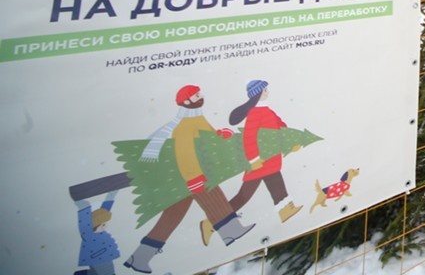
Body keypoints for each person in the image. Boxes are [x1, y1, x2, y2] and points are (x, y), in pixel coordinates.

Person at [123, 85, 255, 273]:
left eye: (199, 94)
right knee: (214, 199)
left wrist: (220, 135)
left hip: (194, 174)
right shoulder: (184, 126)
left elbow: (205, 135)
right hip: (192, 174)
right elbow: (185, 154)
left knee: (172, 216)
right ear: (186, 102)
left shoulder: (196, 118)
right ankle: (230, 231)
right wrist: (193, 178)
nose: (201, 97)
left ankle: (141, 256)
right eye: (196, 95)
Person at [218, 79, 302, 235]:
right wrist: (254, 160)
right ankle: (215, 222)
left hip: (270, 160)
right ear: (257, 94)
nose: (267, 92)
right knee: (244, 196)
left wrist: (290, 142)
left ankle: (286, 211)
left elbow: (281, 127)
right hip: (260, 162)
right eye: (264, 90)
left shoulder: (267, 111)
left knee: (278, 187)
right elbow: (249, 138)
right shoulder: (255, 113)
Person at [74, 190, 121, 275]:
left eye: (105, 224)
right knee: (108, 273)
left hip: (104, 257)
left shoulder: (99, 232)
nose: (105, 226)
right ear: (95, 225)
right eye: (103, 225)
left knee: (97, 273)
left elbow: (104, 210)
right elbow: (85, 221)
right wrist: (84, 206)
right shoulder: (88, 233)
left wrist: (111, 194)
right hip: (98, 258)